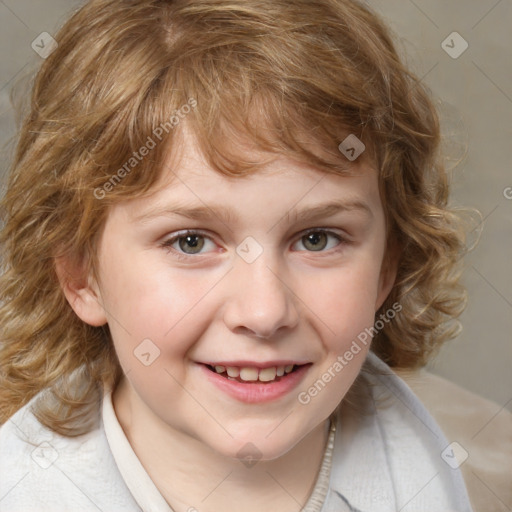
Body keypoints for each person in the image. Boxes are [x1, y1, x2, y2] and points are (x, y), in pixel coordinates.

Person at [0, 0, 504, 510]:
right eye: (191, 242)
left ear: (385, 270)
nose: (264, 312)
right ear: (82, 276)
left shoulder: (415, 468)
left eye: (317, 239)